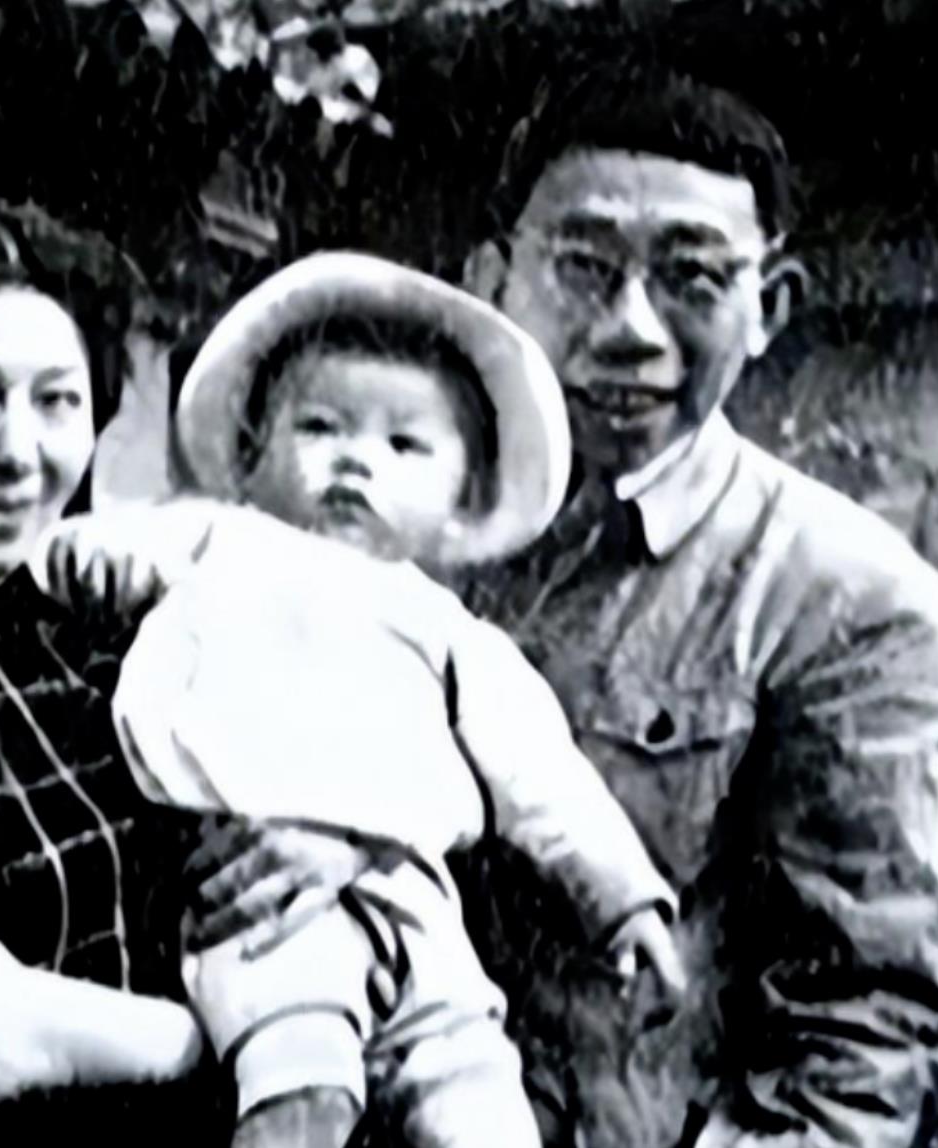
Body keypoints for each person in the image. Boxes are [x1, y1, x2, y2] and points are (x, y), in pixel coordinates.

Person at [0, 199, 388, 1142]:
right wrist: (266, 1052)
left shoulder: (123, 646)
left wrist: (332, 850)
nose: (14, 452)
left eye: (57, 401)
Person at [35, 251, 683, 1148]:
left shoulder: (448, 631)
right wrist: (68, 558)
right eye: (319, 427)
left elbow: (545, 776)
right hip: (266, 890)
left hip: (413, 895)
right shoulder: (221, 540)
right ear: (253, 450)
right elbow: (90, 554)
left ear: (462, 494)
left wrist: (625, 900)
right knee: (298, 1081)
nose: (354, 461)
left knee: (474, 1090)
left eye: (404, 446)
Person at [456, 67, 938, 1148]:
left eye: (691, 277)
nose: (630, 329)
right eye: (583, 268)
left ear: (768, 309)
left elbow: (856, 1045)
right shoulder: (400, 533)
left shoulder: (843, 596)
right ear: (491, 278)